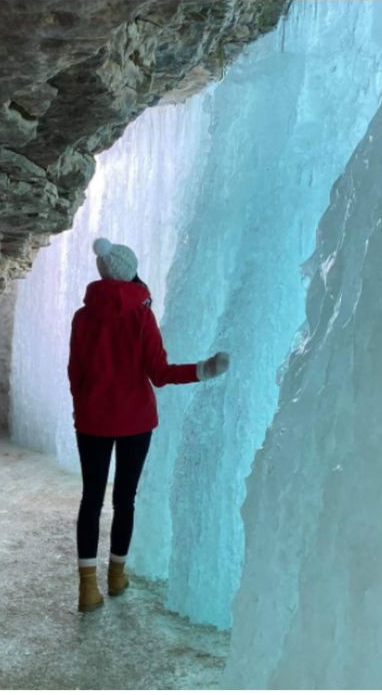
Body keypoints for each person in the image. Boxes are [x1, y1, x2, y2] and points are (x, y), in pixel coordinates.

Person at [68, 237, 229, 613]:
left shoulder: (83, 317)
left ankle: (87, 588)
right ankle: (116, 576)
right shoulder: (141, 315)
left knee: (91, 499)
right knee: (125, 500)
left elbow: (75, 372)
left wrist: (83, 407)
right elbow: (160, 374)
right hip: (135, 422)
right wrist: (203, 370)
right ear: (131, 273)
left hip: (91, 421)